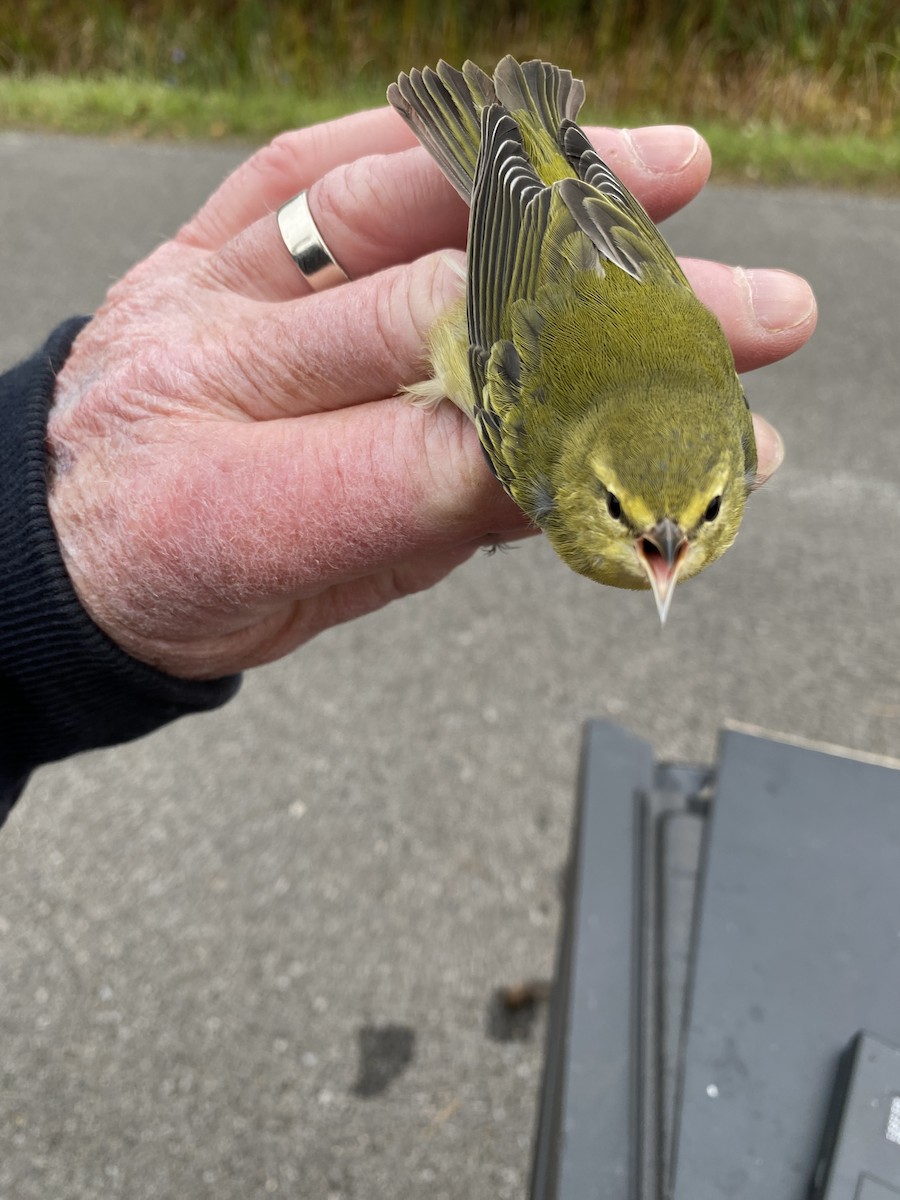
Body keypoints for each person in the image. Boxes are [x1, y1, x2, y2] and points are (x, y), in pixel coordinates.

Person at [0, 107, 816, 825]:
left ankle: (526, 128)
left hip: (596, 256)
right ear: (582, 481)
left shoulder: (723, 444)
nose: (667, 551)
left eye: (707, 516)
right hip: (537, 270)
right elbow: (494, 298)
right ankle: (515, 135)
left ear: (728, 480)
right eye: (620, 511)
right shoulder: (541, 448)